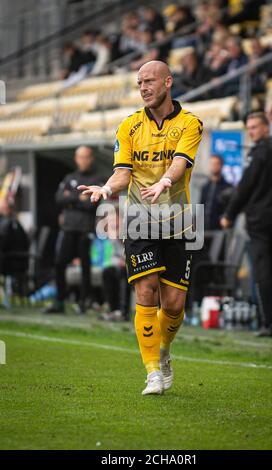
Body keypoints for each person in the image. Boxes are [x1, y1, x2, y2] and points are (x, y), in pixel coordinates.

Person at [78, 60, 203, 395]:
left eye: (149, 81)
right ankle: (151, 372)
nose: (144, 88)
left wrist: (164, 181)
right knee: (146, 289)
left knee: (174, 304)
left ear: (168, 82)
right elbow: (123, 172)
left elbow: (180, 163)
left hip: (178, 219)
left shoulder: (191, 123)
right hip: (138, 219)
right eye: (139, 83)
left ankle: (163, 353)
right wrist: (106, 189)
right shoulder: (129, 126)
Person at [220, 112, 272, 337]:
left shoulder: (259, 154)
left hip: (259, 222)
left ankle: (267, 323)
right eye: (249, 128)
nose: (251, 131)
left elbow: (244, 188)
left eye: (255, 127)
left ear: (266, 127)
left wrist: (229, 214)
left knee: (262, 272)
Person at [44, 146, 100, 315]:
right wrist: (79, 198)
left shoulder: (97, 179)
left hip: (85, 230)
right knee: (59, 263)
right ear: (76, 159)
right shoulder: (69, 177)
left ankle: (83, 302)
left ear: (91, 159)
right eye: (80, 157)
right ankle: (59, 301)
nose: (83, 160)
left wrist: (71, 198)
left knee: (85, 267)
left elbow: (91, 203)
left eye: (86, 157)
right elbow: (59, 198)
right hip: (68, 229)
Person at [200, 155, 232, 230]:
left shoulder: (228, 188)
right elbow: (201, 208)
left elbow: (230, 209)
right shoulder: (205, 187)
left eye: (216, 164)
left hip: (220, 231)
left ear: (221, 166)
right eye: (212, 163)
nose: (213, 166)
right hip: (204, 230)